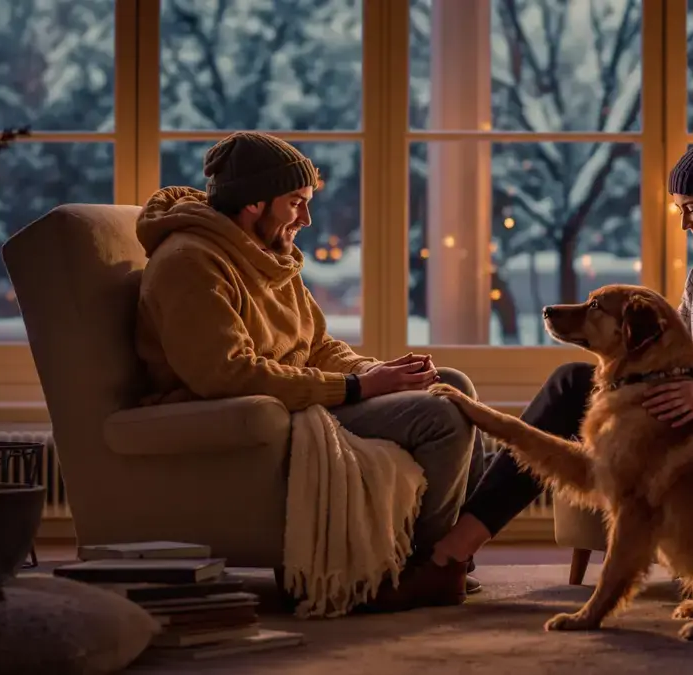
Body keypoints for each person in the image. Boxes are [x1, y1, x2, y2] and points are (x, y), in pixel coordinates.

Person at [428, 109, 693, 567]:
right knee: (569, 384)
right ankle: (457, 549)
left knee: (643, 430)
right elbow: (671, 352)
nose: (684, 224)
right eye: (682, 210)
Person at [132, 131, 483, 611]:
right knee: (441, 418)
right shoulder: (190, 263)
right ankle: (420, 569)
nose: (307, 218)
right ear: (255, 203)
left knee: (453, 387)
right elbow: (226, 375)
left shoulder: (269, 256)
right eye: (296, 202)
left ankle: (450, 557)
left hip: (298, 398)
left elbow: (315, 345)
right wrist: (358, 386)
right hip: (252, 413)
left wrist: (380, 371)